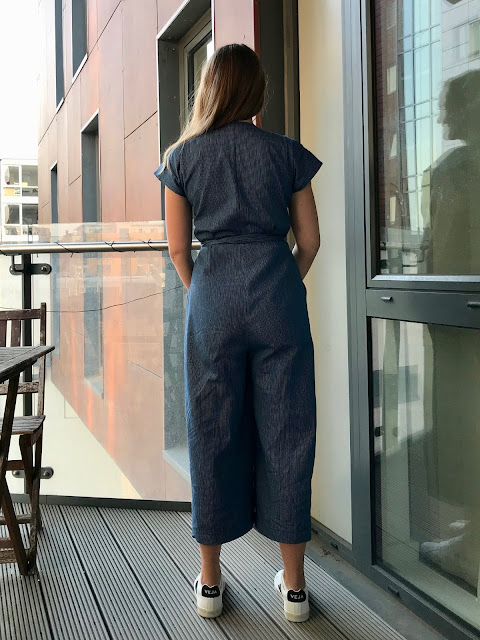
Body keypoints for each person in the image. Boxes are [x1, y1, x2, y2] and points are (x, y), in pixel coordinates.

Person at [155, 43, 322, 622]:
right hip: (278, 296)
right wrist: (283, 283)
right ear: (256, 90)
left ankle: (209, 582)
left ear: (208, 88)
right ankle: (295, 589)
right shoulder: (286, 153)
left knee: (210, 429)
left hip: (214, 298)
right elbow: (310, 242)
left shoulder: (182, 158)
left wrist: (206, 293)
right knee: (289, 430)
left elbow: (179, 251)